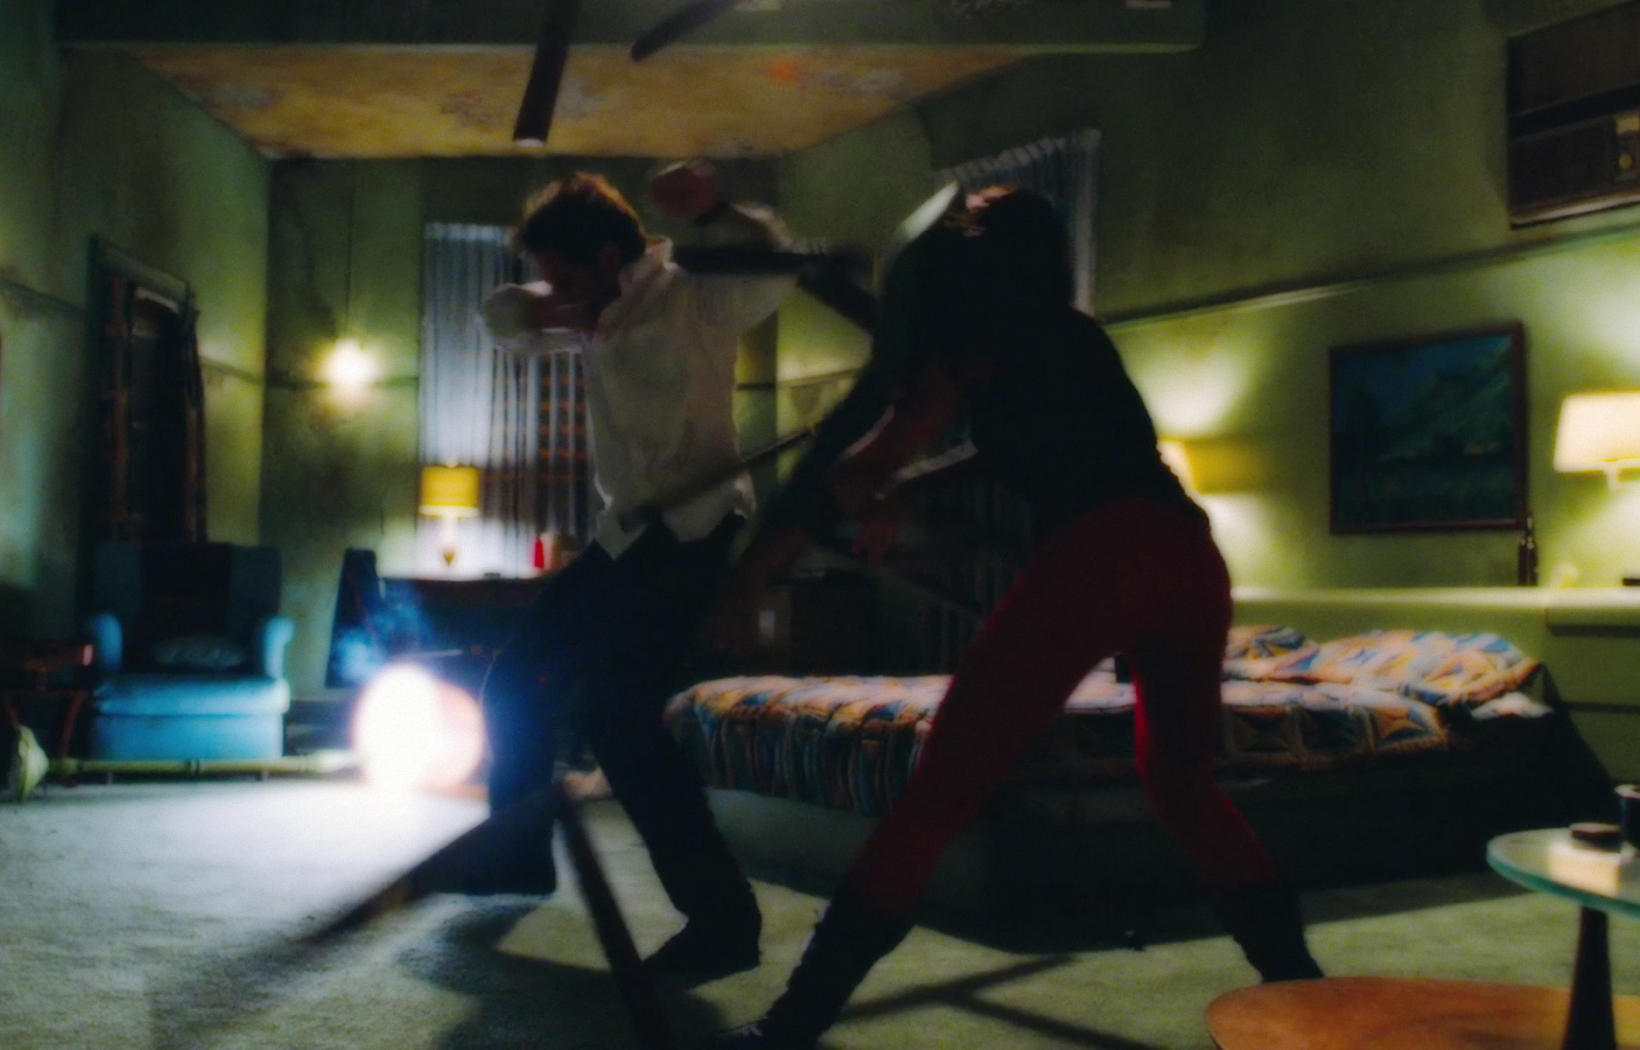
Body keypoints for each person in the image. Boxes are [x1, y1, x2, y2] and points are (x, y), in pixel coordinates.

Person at [708, 187, 1323, 1049]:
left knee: (937, 797)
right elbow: (1007, 454)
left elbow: (879, 452)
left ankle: (793, 1024)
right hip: (1187, 557)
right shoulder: (1070, 337)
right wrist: (907, 489)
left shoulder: (972, 345)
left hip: (1103, 559)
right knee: (1182, 786)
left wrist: (771, 555)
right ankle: (1302, 989)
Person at [471, 162, 793, 979]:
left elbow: (771, 268)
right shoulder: (592, 309)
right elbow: (500, 317)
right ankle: (516, 854)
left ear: (612, 257)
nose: (556, 293)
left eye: (564, 276)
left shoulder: (692, 297)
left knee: (617, 721)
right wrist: (548, 305)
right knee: (514, 680)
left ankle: (724, 926)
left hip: (695, 531)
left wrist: (717, 208)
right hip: (625, 537)